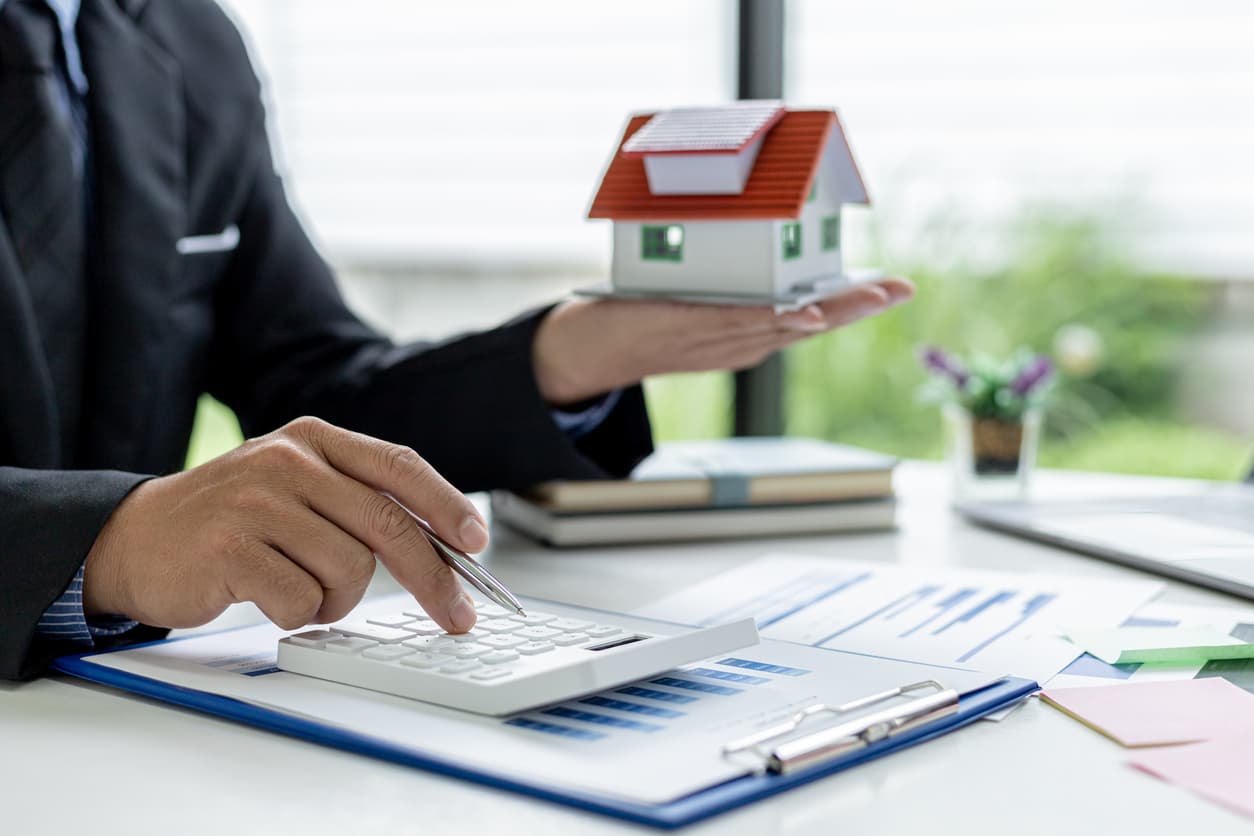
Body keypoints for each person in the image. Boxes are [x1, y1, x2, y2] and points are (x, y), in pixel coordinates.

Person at [0, 0, 914, 679]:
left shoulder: (188, 39)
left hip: (123, 713)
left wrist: (564, 358)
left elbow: (314, 383)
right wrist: (107, 539)